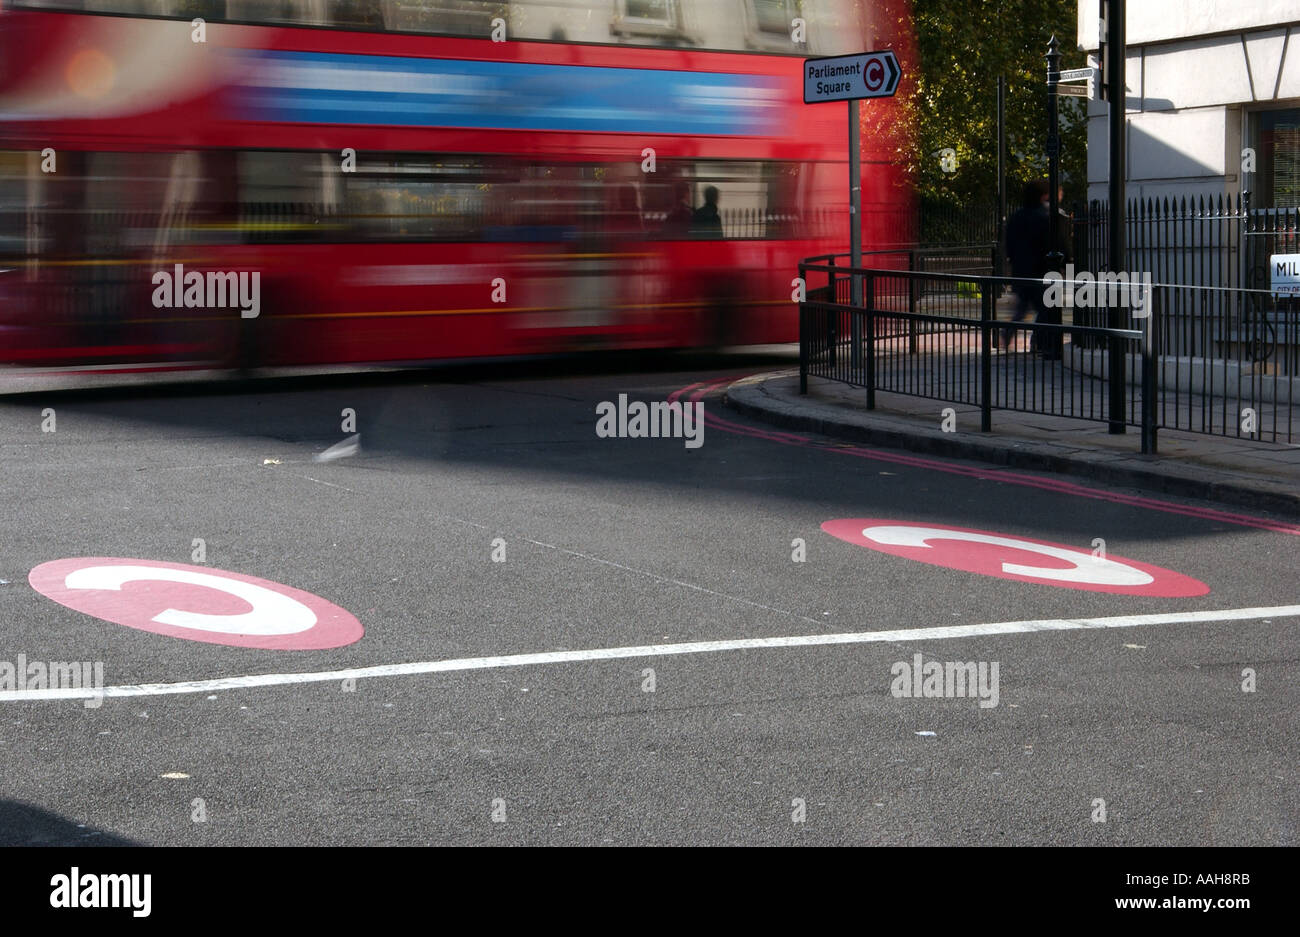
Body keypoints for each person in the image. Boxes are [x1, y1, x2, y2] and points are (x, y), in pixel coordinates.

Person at [1002, 179, 1050, 353]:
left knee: (1022, 307)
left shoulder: (1017, 215)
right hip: (1040, 270)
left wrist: (1013, 259)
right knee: (1045, 308)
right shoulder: (1044, 215)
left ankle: (1007, 332)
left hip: (1020, 269)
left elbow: (1009, 243)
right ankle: (1037, 341)